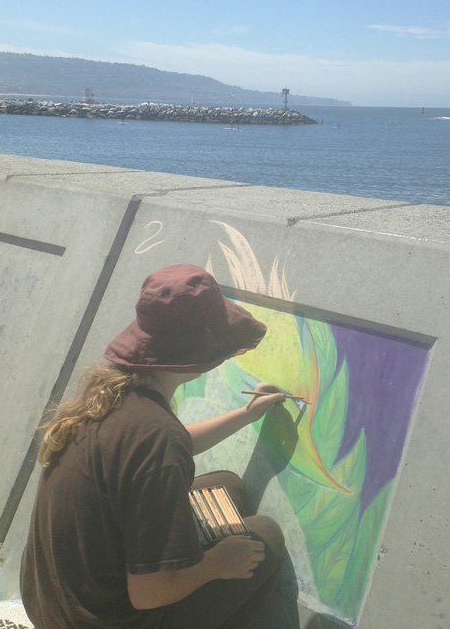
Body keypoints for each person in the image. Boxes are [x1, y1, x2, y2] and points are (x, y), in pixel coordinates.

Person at [20, 264, 287, 629]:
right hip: (106, 619)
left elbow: (151, 457)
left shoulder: (113, 396)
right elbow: (149, 592)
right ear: (199, 353)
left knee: (228, 487)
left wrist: (246, 413)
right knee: (266, 537)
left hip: (53, 604)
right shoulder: (158, 439)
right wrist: (218, 563)